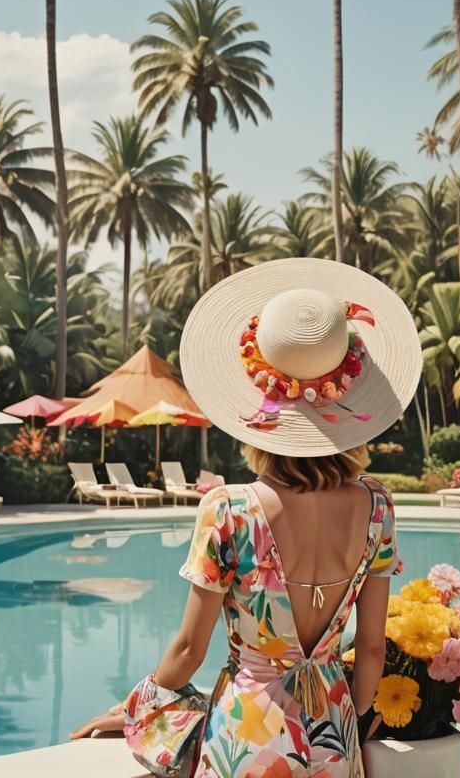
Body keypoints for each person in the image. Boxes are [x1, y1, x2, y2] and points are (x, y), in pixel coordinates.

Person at [71, 258, 423, 777]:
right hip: (333, 733)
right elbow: (369, 650)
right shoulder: (377, 507)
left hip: (247, 737)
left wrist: (133, 709)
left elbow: (190, 650)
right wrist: (353, 716)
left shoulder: (229, 510)